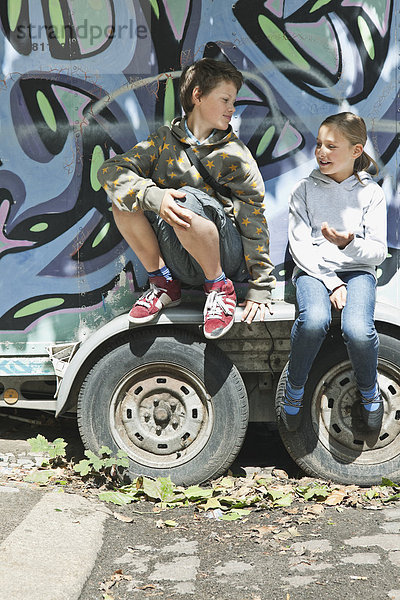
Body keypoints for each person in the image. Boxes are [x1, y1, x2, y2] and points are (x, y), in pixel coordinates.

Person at [97, 58, 275, 339]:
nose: (232, 109)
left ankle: (219, 289)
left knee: (186, 197)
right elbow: (110, 171)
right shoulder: (163, 141)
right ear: (198, 96)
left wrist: (261, 286)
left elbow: (253, 217)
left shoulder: (235, 155)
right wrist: (154, 197)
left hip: (222, 255)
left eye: (234, 102)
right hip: (176, 257)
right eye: (226, 99)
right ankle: (163, 284)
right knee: (125, 198)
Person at [280, 112, 387, 432]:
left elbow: (379, 253)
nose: (321, 152)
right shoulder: (304, 189)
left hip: (357, 272)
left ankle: (371, 394)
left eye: (331, 146)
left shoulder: (371, 193)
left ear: (356, 151)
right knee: (314, 320)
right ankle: (294, 388)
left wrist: (349, 244)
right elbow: (299, 247)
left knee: (357, 329)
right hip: (314, 271)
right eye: (318, 145)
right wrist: (329, 282)